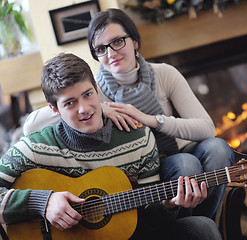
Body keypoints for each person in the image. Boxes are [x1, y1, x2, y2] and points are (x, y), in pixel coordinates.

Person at [23, 8, 234, 219]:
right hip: (143, 170)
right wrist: (102, 105)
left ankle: (208, 220)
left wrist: (150, 120)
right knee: (187, 164)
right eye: (101, 48)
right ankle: (187, 226)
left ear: (134, 41)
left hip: (179, 149)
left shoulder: (164, 74)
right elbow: (30, 126)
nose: (111, 53)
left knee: (218, 148)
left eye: (117, 41)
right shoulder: (92, 93)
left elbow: (207, 128)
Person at [0, 53, 222, 239]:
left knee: (203, 228)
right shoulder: (33, 148)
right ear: (54, 109)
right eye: (70, 103)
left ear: (97, 89)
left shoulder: (138, 137)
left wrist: (169, 205)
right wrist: (44, 202)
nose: (84, 109)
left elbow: (148, 218)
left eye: (88, 95)